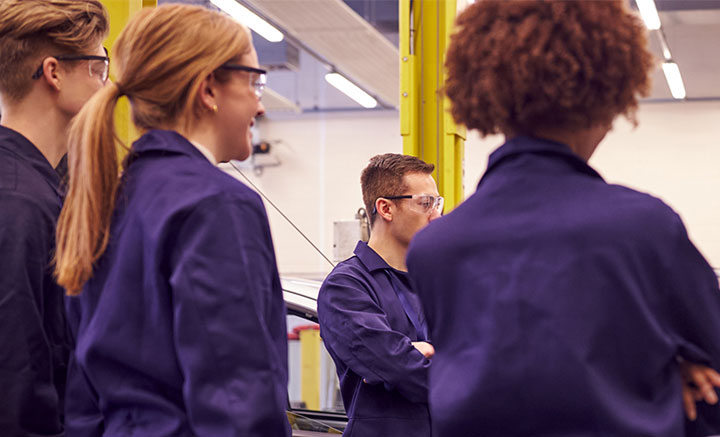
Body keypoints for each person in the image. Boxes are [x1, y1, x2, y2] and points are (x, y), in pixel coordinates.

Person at [406, 1, 720, 435]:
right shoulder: (645, 228)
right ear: (605, 100)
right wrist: (657, 387)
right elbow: (714, 404)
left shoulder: (434, 248)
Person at [53, 4, 290, 436]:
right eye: (255, 81)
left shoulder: (101, 198)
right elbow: (239, 399)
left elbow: (82, 393)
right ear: (209, 89)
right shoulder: (216, 204)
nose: (259, 104)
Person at [0, 1, 108, 435]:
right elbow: (15, 381)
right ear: (54, 72)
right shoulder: (18, 203)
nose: (108, 85)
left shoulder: (38, 189)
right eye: (98, 67)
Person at [317, 153, 442, 436]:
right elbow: (398, 366)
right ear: (386, 208)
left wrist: (421, 352)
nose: (436, 215)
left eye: (438, 203)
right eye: (425, 204)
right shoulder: (346, 287)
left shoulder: (436, 282)